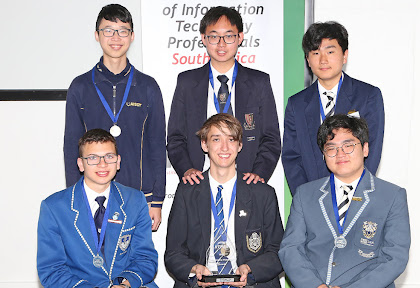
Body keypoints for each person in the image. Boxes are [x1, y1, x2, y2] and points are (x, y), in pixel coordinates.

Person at [63, 4, 165, 231]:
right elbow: (72, 147)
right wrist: (75, 198)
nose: (116, 37)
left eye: (123, 30)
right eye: (108, 30)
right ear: (97, 35)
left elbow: (157, 146)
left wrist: (156, 200)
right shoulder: (80, 87)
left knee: (135, 263)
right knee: (94, 262)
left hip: (139, 197)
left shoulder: (148, 86)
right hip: (93, 196)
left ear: (132, 36)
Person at [279, 114, 410, 288]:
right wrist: (315, 285)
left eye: (348, 146)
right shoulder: (305, 194)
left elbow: (395, 257)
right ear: (324, 155)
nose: (340, 154)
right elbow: (290, 249)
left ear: (365, 149)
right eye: (331, 148)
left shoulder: (392, 196)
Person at [165, 114, 284, 288]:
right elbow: (173, 253)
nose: (224, 147)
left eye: (231, 139)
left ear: (240, 145)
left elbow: (278, 251)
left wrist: (250, 270)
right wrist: (194, 269)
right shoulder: (187, 192)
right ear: (204, 144)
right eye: (216, 139)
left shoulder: (262, 193)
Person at [167, 6, 281, 186]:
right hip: (199, 182)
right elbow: (175, 137)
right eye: (214, 36)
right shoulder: (186, 82)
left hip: (247, 181)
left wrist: (259, 174)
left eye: (228, 36)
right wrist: (187, 169)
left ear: (240, 38)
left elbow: (271, 138)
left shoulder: (259, 82)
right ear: (204, 38)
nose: (221, 44)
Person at [38, 129, 158, 288]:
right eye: (93, 158)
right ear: (81, 164)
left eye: (109, 157)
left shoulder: (135, 200)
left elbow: (146, 258)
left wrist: (125, 284)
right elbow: (52, 270)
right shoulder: (54, 207)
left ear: (118, 161)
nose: (103, 164)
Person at [282, 21, 384, 194]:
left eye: (330, 51)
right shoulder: (296, 104)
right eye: (315, 53)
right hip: (313, 198)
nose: (323, 60)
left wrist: (356, 194)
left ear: (345, 55)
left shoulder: (368, 96)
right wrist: (306, 200)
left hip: (355, 196)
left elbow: (372, 149)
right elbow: (292, 157)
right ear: (308, 59)